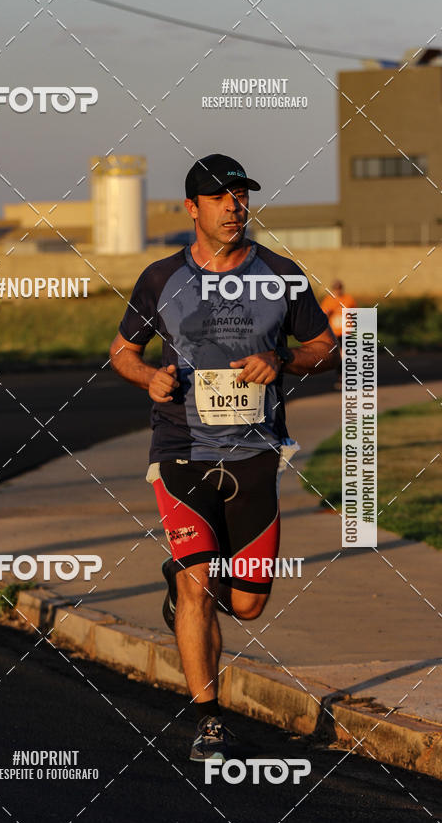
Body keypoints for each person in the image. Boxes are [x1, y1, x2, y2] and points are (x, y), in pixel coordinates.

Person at [110, 153, 339, 762]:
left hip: (256, 453)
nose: (234, 207)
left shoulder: (283, 275)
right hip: (182, 448)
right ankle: (209, 719)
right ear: (193, 208)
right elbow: (122, 351)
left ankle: (195, 580)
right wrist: (146, 379)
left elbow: (323, 343)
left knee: (248, 605)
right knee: (197, 580)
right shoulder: (161, 279)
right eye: (220, 197)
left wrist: (284, 361)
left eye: (241, 196)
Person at [320, 280, 356, 389]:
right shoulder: (328, 300)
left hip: (347, 331)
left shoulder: (348, 299)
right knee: (339, 356)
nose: (337, 291)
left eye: (339, 288)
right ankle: (341, 376)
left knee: (346, 355)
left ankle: (346, 377)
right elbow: (323, 315)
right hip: (335, 333)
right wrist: (328, 313)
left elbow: (355, 313)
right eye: (336, 289)